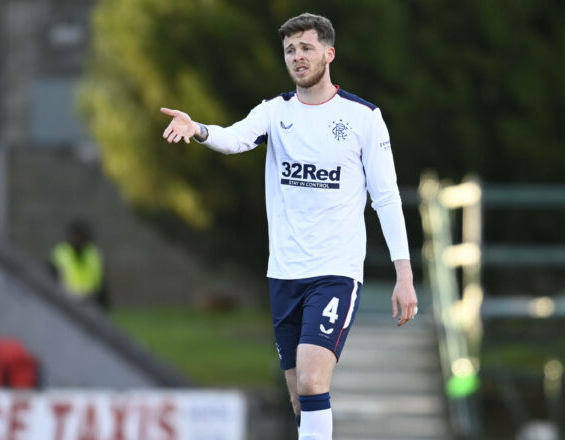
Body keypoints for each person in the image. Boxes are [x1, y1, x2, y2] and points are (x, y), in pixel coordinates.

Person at [160, 12, 418, 440]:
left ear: (328, 54)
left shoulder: (363, 118)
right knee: (300, 397)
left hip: (335, 272)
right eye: (290, 50)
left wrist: (403, 273)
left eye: (306, 48)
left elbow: (386, 197)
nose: (297, 57)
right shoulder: (274, 113)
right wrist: (199, 129)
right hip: (283, 274)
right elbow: (236, 137)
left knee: (314, 382)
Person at [49, 219, 110, 309]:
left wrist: (103, 300)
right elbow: (51, 278)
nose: (77, 240)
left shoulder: (92, 253)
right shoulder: (60, 253)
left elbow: (100, 280)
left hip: (90, 299)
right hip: (67, 298)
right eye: (75, 236)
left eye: (80, 236)